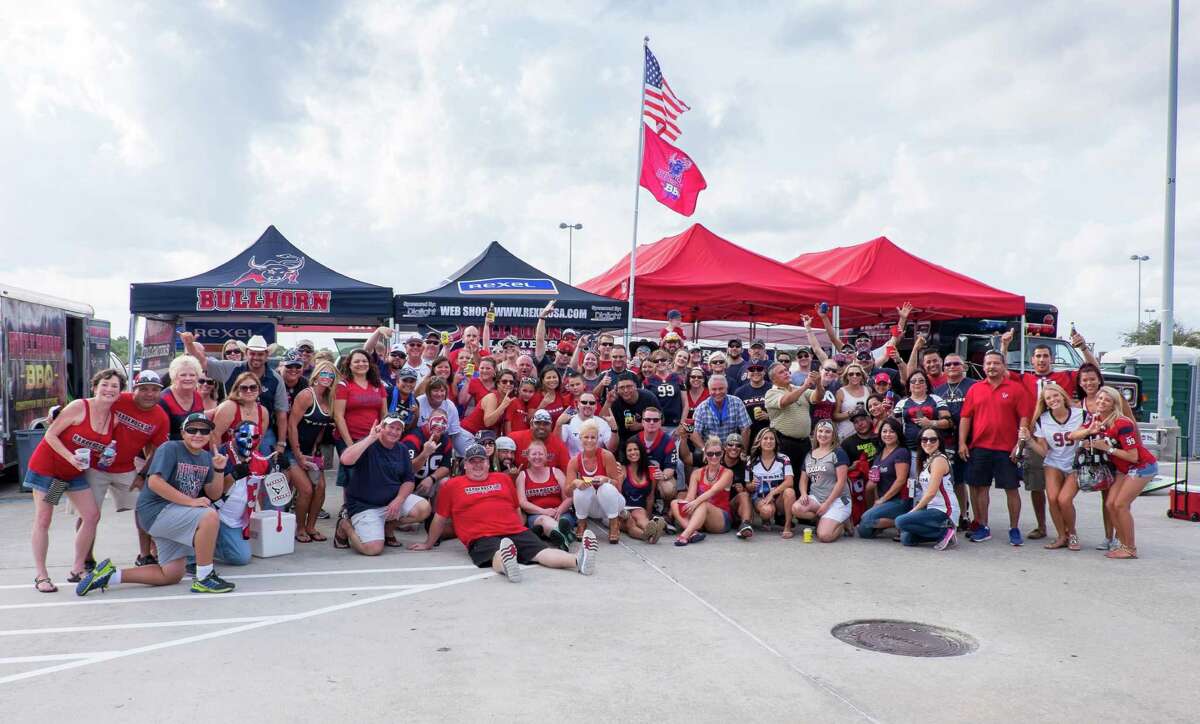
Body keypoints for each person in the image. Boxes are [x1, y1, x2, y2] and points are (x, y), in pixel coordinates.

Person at [76, 412, 235, 596]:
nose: (198, 434)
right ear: (183, 433)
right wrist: (191, 502)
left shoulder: (207, 458)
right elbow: (155, 483)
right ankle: (205, 577)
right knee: (209, 516)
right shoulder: (170, 448)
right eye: (192, 430)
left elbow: (214, 493)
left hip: (175, 513)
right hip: (156, 511)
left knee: (171, 574)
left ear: (209, 435)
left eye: (204, 430)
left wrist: (218, 469)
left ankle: (109, 576)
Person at [410, 444, 597, 581]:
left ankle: (577, 560)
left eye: (481, 461)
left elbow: (516, 508)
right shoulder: (452, 485)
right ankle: (508, 566)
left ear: (487, 463)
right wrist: (428, 544)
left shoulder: (503, 479)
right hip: (481, 536)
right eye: (472, 461)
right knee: (498, 553)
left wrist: (521, 529)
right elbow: (440, 518)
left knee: (542, 552)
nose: (477, 465)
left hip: (515, 531)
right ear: (464, 465)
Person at [27, 368, 122, 592]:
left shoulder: (113, 419)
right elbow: (50, 434)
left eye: (115, 386)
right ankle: (41, 575)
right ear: (95, 387)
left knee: (91, 515)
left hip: (70, 474)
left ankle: (78, 568)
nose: (109, 389)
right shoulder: (80, 406)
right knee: (43, 519)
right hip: (48, 468)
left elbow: (97, 450)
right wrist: (70, 456)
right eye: (105, 384)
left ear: (120, 391)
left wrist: (107, 457)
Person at [86, 371, 169, 567]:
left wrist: (142, 475)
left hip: (125, 468)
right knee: (89, 514)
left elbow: (156, 451)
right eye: (144, 389)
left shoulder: (161, 417)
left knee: (144, 509)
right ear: (134, 389)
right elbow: (87, 407)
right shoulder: (118, 399)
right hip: (95, 465)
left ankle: (145, 554)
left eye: (155, 390)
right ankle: (86, 558)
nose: (149, 394)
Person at [1070, 386, 1156, 559]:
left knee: (1120, 505)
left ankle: (1130, 547)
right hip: (1122, 469)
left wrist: (1107, 449)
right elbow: (1073, 435)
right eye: (1100, 398)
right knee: (1110, 505)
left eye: (1106, 400)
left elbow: (1133, 456)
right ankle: (1123, 544)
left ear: (1114, 404)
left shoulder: (1122, 423)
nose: (1101, 402)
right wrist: (1089, 436)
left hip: (1141, 466)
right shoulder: (1096, 420)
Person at [959, 350, 1030, 545]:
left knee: (1012, 489)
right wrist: (962, 442)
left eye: (995, 363)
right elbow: (966, 417)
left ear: (1003, 366)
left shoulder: (1016, 389)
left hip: (1007, 449)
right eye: (988, 363)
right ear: (983, 366)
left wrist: (1019, 444)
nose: (991, 367)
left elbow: (1024, 418)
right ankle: (983, 526)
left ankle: (1014, 529)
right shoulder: (975, 389)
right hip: (980, 447)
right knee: (980, 488)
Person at [334, 416, 431, 555]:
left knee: (423, 509)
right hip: (365, 505)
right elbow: (345, 460)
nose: (394, 432)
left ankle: (387, 527)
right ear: (382, 428)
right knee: (373, 549)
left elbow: (408, 480)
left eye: (398, 429)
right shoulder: (368, 444)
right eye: (391, 427)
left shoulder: (402, 450)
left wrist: (399, 500)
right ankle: (345, 525)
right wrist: (370, 438)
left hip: (391, 503)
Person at [182, 332, 289, 458]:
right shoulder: (231, 368)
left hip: (262, 429)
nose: (256, 357)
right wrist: (189, 344)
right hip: (231, 429)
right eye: (252, 353)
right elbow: (203, 362)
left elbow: (281, 413)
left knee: (267, 465)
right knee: (228, 465)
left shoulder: (276, 379)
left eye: (260, 354)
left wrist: (281, 443)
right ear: (246, 353)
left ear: (266, 356)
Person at [1023, 382, 1085, 551]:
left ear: (1063, 396)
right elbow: (1043, 451)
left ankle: (1072, 533)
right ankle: (1061, 536)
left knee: (1064, 500)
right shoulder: (1042, 421)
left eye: (1055, 395)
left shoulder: (1081, 415)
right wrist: (1029, 440)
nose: (1053, 400)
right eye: (1048, 398)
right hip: (1054, 462)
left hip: (1075, 463)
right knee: (1052, 499)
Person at [287, 359, 337, 543]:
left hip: (311, 451)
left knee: (321, 489)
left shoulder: (328, 398)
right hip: (293, 451)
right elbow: (292, 425)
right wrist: (298, 453)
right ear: (316, 375)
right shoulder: (306, 395)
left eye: (330, 375)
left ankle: (311, 526)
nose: (327, 377)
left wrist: (316, 449)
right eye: (324, 373)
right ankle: (300, 528)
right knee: (306, 490)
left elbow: (322, 428)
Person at [1074, 363, 1117, 549]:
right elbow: (1075, 431)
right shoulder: (1078, 405)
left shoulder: (1112, 400)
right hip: (1090, 457)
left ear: (1099, 379)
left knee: (1111, 499)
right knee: (1102, 496)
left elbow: (1129, 422)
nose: (1089, 383)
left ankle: (1113, 537)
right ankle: (1071, 536)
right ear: (1080, 383)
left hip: (1112, 454)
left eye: (1092, 379)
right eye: (1085, 380)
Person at [895, 430, 960, 550]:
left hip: (945, 510)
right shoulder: (927, 460)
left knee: (900, 521)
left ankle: (944, 531)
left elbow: (931, 493)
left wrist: (913, 511)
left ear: (939, 442)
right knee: (906, 538)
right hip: (932, 509)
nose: (928, 442)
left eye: (933, 439)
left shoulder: (939, 460)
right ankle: (944, 535)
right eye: (924, 439)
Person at [933, 352, 976, 529]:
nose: (952, 367)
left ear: (964, 366)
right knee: (950, 480)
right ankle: (953, 513)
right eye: (948, 365)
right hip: (946, 441)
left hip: (969, 439)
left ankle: (966, 516)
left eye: (955, 364)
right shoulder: (938, 391)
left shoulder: (973, 386)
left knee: (966, 481)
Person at [566, 420, 625, 543]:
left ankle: (614, 524)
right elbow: (567, 492)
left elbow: (618, 486)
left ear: (598, 439)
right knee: (581, 488)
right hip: (592, 506)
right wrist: (575, 483)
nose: (589, 440)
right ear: (580, 439)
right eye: (586, 437)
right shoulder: (574, 461)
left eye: (593, 437)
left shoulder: (606, 455)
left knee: (606, 487)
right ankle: (582, 523)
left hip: (613, 502)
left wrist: (606, 480)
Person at [793, 420, 851, 542]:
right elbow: (803, 479)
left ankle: (843, 524)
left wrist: (827, 504)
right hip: (817, 498)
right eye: (820, 431)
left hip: (837, 500)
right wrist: (803, 494)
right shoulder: (810, 454)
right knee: (796, 508)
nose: (823, 434)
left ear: (833, 435)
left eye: (827, 432)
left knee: (825, 536)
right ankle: (824, 519)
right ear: (815, 433)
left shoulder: (838, 453)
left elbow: (841, 482)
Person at [672, 435, 734, 546]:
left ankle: (685, 534)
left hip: (720, 519)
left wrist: (695, 503)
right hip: (700, 515)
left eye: (717, 453)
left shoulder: (727, 473)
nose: (714, 457)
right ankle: (694, 533)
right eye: (710, 454)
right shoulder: (697, 473)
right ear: (705, 454)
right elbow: (690, 497)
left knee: (703, 504)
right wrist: (685, 505)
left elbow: (713, 491)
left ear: (722, 454)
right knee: (675, 503)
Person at [856, 417, 911, 537]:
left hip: (899, 500)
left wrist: (883, 499)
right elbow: (874, 482)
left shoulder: (901, 452)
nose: (887, 434)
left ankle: (903, 522)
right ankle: (894, 521)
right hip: (883, 500)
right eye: (884, 431)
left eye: (892, 431)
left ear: (898, 433)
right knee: (864, 532)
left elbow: (901, 480)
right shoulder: (880, 453)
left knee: (866, 521)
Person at [515, 439, 573, 549]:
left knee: (562, 521)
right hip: (536, 515)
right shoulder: (522, 476)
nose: (537, 457)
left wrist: (559, 510)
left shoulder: (556, 472)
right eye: (534, 454)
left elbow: (569, 496)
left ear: (546, 457)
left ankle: (559, 535)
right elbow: (522, 502)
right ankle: (565, 535)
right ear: (528, 456)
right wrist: (544, 511)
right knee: (544, 521)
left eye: (541, 454)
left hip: (560, 513)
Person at [765, 362, 822, 468]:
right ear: (773, 379)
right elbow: (786, 401)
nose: (786, 373)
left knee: (805, 476)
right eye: (781, 372)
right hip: (784, 443)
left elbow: (817, 398)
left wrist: (818, 384)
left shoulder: (798, 389)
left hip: (805, 442)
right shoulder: (771, 393)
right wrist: (805, 386)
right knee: (788, 477)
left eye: (787, 371)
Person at [616, 437, 668, 543]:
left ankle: (650, 533)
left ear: (641, 451)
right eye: (629, 450)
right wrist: (620, 479)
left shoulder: (650, 470)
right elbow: (617, 495)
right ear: (625, 453)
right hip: (622, 510)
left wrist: (648, 515)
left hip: (639, 509)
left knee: (639, 514)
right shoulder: (622, 469)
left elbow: (650, 496)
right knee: (630, 522)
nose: (633, 452)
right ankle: (652, 533)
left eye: (636, 449)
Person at [747, 427, 797, 539]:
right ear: (759, 442)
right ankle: (766, 519)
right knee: (767, 511)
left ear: (776, 442)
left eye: (771, 439)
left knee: (790, 492)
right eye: (765, 438)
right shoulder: (752, 461)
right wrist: (751, 485)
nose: (768, 441)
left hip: (779, 497)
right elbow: (747, 486)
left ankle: (787, 525)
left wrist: (772, 493)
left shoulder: (784, 459)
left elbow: (790, 481)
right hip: (761, 497)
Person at [690, 375, 751, 464]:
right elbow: (694, 433)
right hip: (710, 448)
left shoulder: (737, 402)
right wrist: (705, 450)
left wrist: (743, 452)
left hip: (731, 447)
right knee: (696, 457)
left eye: (721, 389)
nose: (717, 392)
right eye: (714, 389)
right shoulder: (702, 407)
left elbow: (745, 429)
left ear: (727, 389)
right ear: (709, 390)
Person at [891, 370, 951, 453]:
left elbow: (949, 422)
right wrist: (889, 413)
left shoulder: (936, 399)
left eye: (921, 381)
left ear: (927, 385)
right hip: (910, 450)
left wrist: (931, 423)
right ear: (908, 386)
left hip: (934, 448)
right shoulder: (901, 403)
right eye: (913, 381)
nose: (917, 383)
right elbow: (894, 427)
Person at [211, 371, 272, 451]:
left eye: (253, 387)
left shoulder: (263, 412)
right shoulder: (229, 407)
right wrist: (217, 458)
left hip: (247, 458)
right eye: (244, 388)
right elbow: (215, 436)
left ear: (259, 389)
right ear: (237, 390)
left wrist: (251, 461)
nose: (249, 391)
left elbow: (257, 443)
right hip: (227, 457)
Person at [403, 411, 455, 501]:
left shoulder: (445, 440)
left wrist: (432, 478)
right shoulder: (413, 438)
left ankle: (434, 513)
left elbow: (446, 466)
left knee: (446, 482)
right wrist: (425, 454)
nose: (439, 425)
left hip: (429, 482)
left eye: (443, 423)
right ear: (427, 421)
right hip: (407, 483)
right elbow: (407, 469)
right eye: (436, 421)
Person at [637, 406, 680, 513]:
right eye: (647, 420)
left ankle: (666, 509)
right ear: (642, 422)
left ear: (661, 422)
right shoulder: (634, 441)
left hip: (658, 477)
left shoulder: (668, 442)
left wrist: (663, 475)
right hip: (640, 476)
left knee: (668, 488)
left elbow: (671, 467)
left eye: (655, 420)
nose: (652, 422)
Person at [160, 355, 207, 440]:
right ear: (174, 376)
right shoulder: (163, 400)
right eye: (183, 375)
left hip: (194, 447)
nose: (188, 378)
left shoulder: (198, 396)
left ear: (197, 377)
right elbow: (160, 435)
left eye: (192, 375)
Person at [718, 433, 755, 539]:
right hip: (717, 505)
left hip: (733, 506)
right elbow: (688, 458)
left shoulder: (746, 466)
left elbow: (751, 492)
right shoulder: (716, 460)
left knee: (744, 495)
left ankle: (745, 525)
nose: (734, 448)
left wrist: (744, 489)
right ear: (725, 447)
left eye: (738, 445)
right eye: (730, 444)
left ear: (742, 449)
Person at [462, 368, 517, 437]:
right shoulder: (492, 397)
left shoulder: (507, 400)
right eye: (504, 381)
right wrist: (503, 406)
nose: (508, 384)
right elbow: (488, 422)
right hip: (467, 433)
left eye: (511, 382)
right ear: (498, 384)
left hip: (481, 437)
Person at [558, 390, 615, 456]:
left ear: (596, 406)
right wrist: (558, 425)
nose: (588, 405)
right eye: (584, 402)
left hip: (597, 462)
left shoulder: (602, 423)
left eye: (591, 403)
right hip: (574, 463)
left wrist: (614, 429)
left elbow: (612, 448)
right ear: (578, 405)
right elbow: (559, 444)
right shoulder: (568, 421)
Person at [610, 372, 660, 446]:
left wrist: (640, 425)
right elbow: (602, 419)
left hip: (647, 437)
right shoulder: (615, 400)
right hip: (624, 440)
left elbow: (661, 421)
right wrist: (608, 402)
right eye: (621, 387)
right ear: (617, 389)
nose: (625, 390)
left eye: (629, 386)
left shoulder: (648, 397)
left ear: (636, 386)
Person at [646, 351, 686, 436]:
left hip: (675, 425)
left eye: (662, 360)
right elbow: (646, 406)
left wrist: (681, 425)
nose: (660, 363)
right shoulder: (648, 381)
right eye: (656, 361)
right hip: (657, 425)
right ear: (653, 364)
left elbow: (685, 404)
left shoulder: (677, 378)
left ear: (668, 361)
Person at [734, 361, 772, 444]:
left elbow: (782, 412)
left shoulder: (773, 389)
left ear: (764, 372)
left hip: (769, 435)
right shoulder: (739, 392)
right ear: (748, 373)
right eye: (752, 370)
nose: (756, 372)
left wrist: (769, 416)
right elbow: (736, 416)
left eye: (759, 369)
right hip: (748, 436)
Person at [832, 363, 870, 440]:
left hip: (866, 432)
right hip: (846, 433)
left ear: (862, 376)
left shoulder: (868, 390)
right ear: (847, 376)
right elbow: (835, 416)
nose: (854, 376)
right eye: (851, 374)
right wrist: (850, 413)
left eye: (858, 374)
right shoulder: (840, 392)